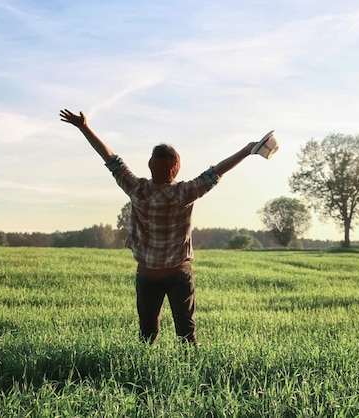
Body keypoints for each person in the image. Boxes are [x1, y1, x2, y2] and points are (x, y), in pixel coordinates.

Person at [60, 108, 262, 346]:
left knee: (147, 334)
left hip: (147, 275)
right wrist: (248, 150)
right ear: (176, 169)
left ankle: (146, 376)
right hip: (178, 274)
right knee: (187, 333)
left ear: (149, 165)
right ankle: (191, 372)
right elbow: (217, 171)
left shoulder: (137, 190)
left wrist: (84, 127)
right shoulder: (184, 193)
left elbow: (111, 159)